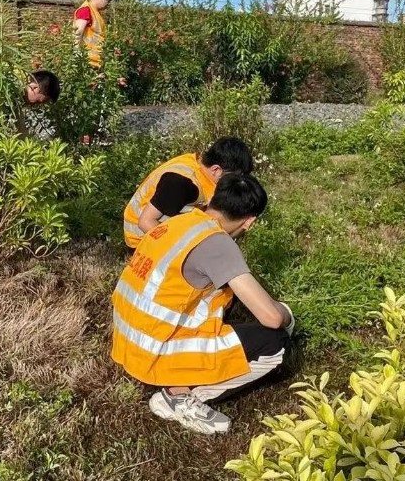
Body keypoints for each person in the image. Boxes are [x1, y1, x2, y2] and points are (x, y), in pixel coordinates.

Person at [111, 173, 294, 435]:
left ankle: (179, 382)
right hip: (154, 351)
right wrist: (285, 314)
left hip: (127, 340)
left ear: (215, 198)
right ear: (250, 221)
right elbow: (271, 318)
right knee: (274, 342)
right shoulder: (217, 243)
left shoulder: (179, 222)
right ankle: (180, 397)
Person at [123, 137, 253, 249]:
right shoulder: (181, 182)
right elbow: (146, 222)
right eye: (234, 177)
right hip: (141, 239)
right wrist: (183, 249)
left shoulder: (197, 165)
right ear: (216, 170)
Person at [73, 0, 116, 68]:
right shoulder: (86, 10)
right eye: (107, 0)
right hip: (87, 63)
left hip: (96, 63)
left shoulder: (97, 13)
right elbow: (77, 32)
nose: (108, 4)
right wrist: (77, 55)